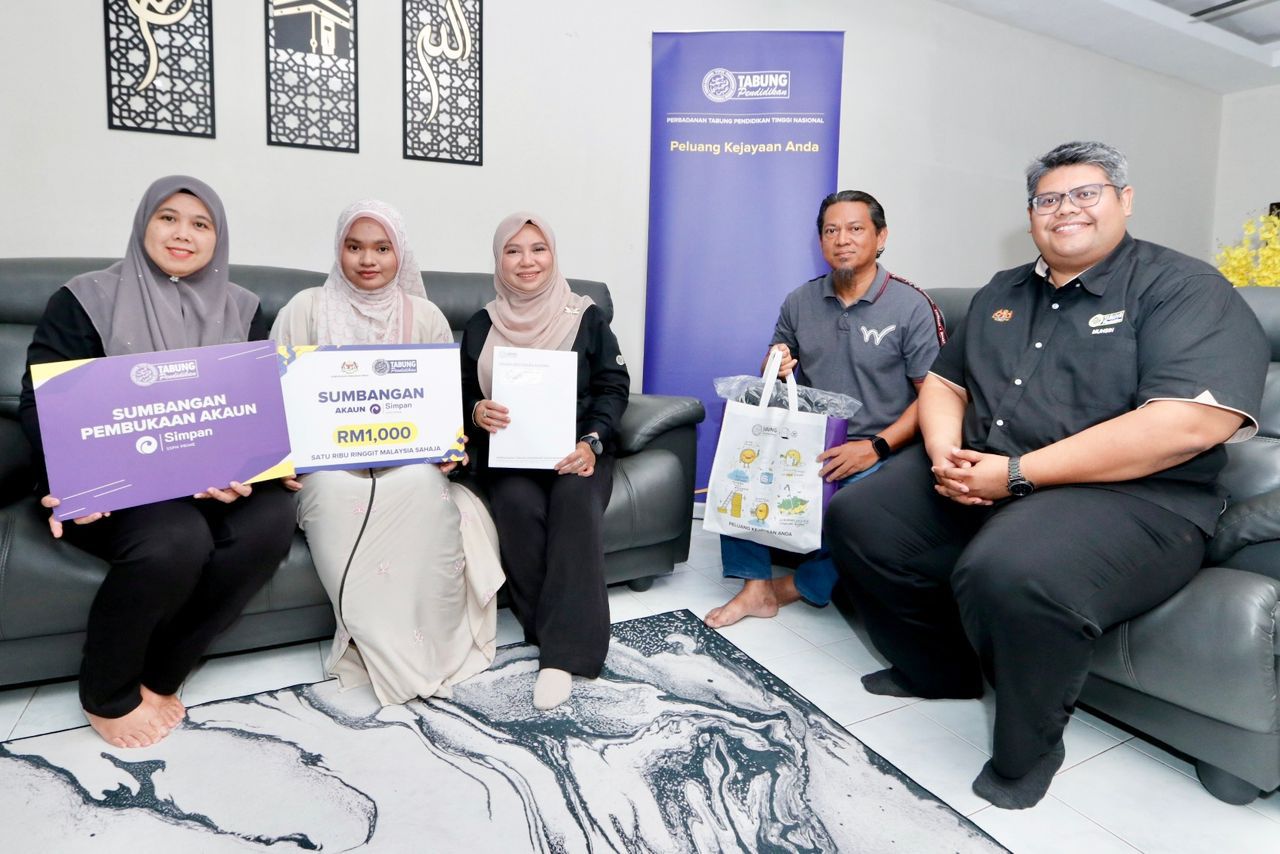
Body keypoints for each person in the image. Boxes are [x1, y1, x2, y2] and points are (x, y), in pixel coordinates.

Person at [826, 141, 1269, 809]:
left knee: (1010, 570)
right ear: (1031, 214)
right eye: (1048, 199)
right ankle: (938, 672)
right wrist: (945, 457)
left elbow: (1188, 424)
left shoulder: (1184, 288)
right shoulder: (1003, 289)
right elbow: (945, 382)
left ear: (1124, 200)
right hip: (997, 468)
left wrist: (1017, 474)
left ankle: (1026, 753)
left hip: (1135, 499)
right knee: (861, 516)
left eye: (1086, 193)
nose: (1066, 209)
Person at [18, 176, 297, 749]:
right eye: (168, 217)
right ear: (144, 223)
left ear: (218, 238)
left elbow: (254, 406)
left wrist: (244, 468)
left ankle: (163, 672)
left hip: (210, 482)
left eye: (201, 224)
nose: (183, 234)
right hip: (120, 483)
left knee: (271, 520)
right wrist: (72, 481)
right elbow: (41, 403)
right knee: (176, 538)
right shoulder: (83, 298)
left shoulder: (243, 308)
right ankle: (106, 691)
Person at [271, 200, 505, 706]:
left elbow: (443, 406)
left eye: (381, 248)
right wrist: (280, 463)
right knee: (333, 493)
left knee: (424, 484)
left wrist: (448, 447)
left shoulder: (425, 316)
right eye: (354, 247)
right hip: (327, 468)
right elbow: (271, 397)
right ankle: (381, 652)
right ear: (339, 250)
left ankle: (431, 649)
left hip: (406, 462)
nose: (367, 260)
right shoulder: (304, 309)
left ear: (400, 254)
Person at [704, 190, 945, 628]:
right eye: (831, 230)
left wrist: (876, 447)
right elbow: (774, 365)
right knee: (741, 466)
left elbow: (935, 396)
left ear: (881, 237)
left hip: (881, 445)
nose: (842, 239)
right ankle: (755, 586)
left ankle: (796, 586)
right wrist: (776, 361)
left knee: (866, 509)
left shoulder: (911, 306)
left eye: (855, 229)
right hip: (810, 440)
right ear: (820, 242)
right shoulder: (800, 300)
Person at [461, 212, 629, 710]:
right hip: (510, 455)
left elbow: (613, 386)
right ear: (498, 261)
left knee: (574, 502)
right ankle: (547, 629)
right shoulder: (481, 324)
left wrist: (592, 441)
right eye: (513, 251)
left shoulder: (585, 316)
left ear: (553, 255)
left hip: (577, 450)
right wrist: (476, 411)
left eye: (538, 249)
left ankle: (563, 657)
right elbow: (462, 393)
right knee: (516, 506)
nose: (527, 261)